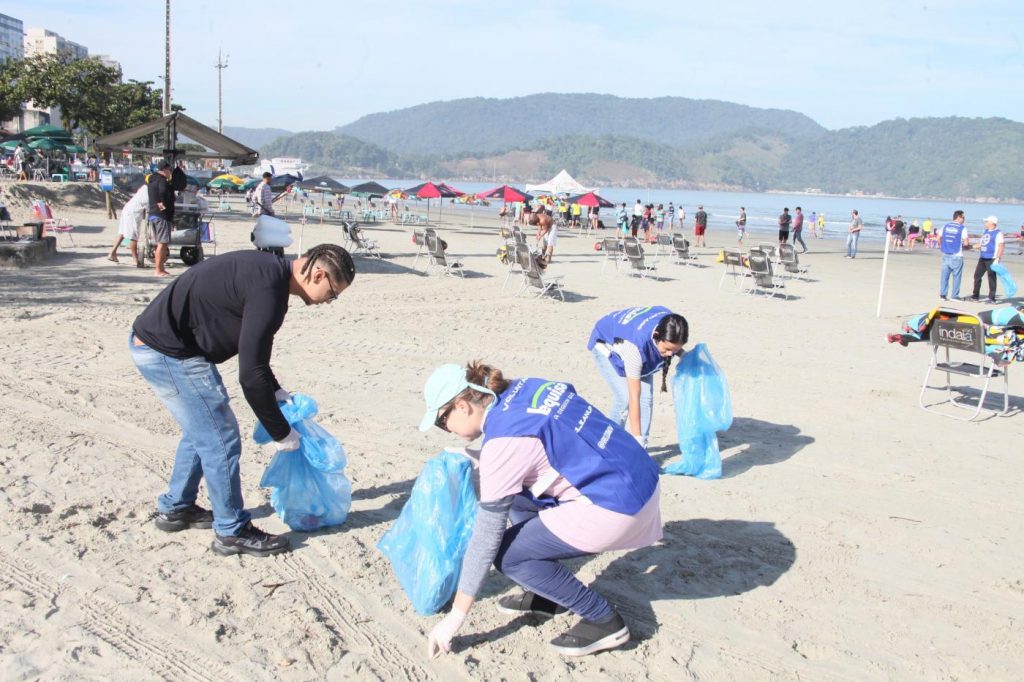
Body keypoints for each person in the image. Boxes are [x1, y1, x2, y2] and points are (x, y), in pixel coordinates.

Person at [418, 361, 662, 658]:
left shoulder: (504, 442)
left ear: (462, 406)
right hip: (640, 477)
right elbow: (543, 439)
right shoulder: (525, 387)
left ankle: (603, 619)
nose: (446, 429)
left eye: (442, 421)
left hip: (620, 507)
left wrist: (454, 618)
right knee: (517, 495)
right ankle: (548, 594)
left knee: (507, 555)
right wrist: (481, 456)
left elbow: (485, 539)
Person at [130, 245, 356, 556]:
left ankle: (176, 507)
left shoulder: (270, 273)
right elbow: (249, 376)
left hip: (167, 345)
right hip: (165, 352)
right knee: (220, 437)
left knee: (203, 428)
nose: (329, 301)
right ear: (318, 275)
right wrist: (282, 433)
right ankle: (231, 531)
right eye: (332, 293)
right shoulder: (269, 292)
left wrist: (275, 390)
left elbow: (255, 353)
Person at [588, 306, 689, 448]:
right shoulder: (635, 349)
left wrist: (684, 355)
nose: (670, 354)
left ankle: (642, 446)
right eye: (667, 349)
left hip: (638, 343)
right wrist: (637, 437)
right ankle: (611, 445)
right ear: (657, 336)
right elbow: (634, 396)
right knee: (624, 399)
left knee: (646, 398)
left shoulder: (673, 325)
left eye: (675, 350)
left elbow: (672, 346)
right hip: (606, 342)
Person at [147, 161, 176, 278]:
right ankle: (158, 270)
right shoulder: (162, 181)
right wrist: (164, 203)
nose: (170, 173)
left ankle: (161, 268)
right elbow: (163, 191)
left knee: (159, 243)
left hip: (153, 214)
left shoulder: (152, 180)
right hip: (162, 215)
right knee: (162, 243)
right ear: (165, 170)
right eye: (170, 170)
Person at [108, 182, 149, 263]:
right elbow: (149, 209)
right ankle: (135, 259)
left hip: (127, 210)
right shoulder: (148, 193)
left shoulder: (144, 187)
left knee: (122, 232)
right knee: (133, 236)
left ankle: (112, 253)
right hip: (132, 213)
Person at [971, 216, 1004, 303]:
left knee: (991, 277)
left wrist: (997, 259)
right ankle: (975, 296)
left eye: (987, 222)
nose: (985, 223)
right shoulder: (985, 231)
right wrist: (974, 246)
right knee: (977, 276)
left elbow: (1001, 247)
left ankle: (991, 298)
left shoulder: (998, 233)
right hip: (982, 257)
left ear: (992, 223)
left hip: (991, 258)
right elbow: (982, 243)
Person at [938, 210, 970, 301]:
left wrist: (943, 246)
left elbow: (938, 238)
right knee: (956, 276)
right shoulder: (962, 228)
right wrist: (967, 247)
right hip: (956, 254)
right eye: (963, 217)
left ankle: (943, 295)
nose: (964, 219)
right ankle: (954, 295)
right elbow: (966, 243)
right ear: (958, 217)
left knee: (944, 276)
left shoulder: (945, 226)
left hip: (945, 253)